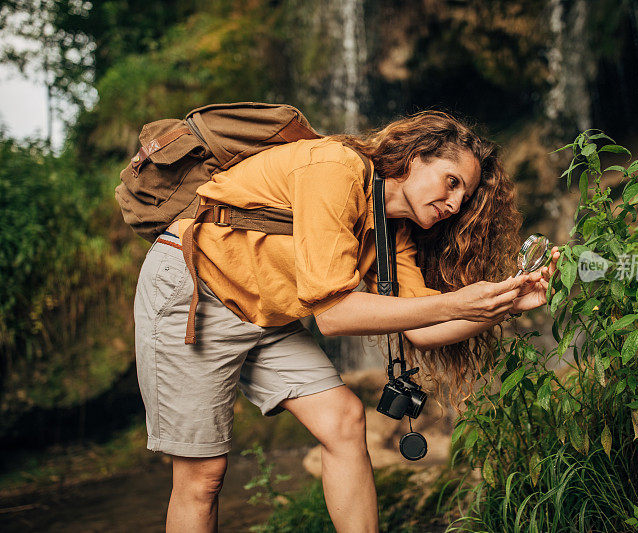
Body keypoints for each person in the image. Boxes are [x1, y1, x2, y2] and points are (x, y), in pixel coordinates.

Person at [133, 111, 559, 532]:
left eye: (462, 197)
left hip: (264, 309)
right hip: (194, 288)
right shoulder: (335, 168)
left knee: (343, 420)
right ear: (414, 157)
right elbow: (334, 316)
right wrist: (460, 302)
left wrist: (504, 303)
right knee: (203, 475)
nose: (454, 203)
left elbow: (421, 329)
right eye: (451, 182)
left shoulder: (394, 233)